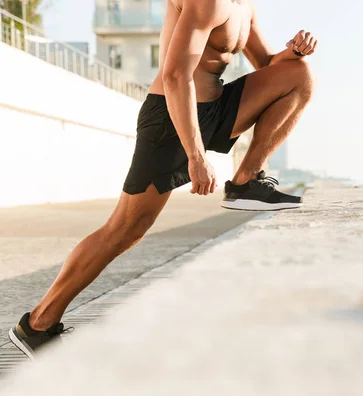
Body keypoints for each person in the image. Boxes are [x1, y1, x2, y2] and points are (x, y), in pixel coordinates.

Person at [9, 0, 317, 359]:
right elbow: (174, 75)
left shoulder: (245, 6)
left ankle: (245, 179)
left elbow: (267, 66)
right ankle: (37, 323)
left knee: (299, 74)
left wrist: (293, 51)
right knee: (126, 228)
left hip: (216, 107)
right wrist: (196, 155)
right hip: (171, 118)